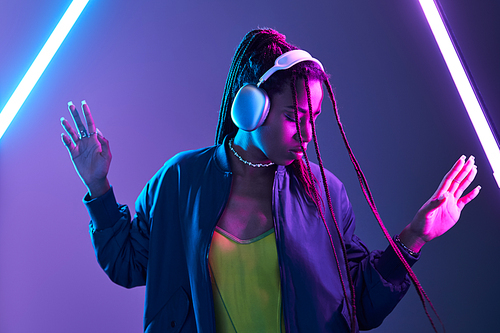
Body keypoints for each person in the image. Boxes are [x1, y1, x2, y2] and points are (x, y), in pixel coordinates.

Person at [60, 29, 480, 333]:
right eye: (295, 118)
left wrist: (415, 235)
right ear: (251, 107)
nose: (308, 135)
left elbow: (361, 306)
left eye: (313, 120)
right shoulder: (179, 181)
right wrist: (98, 188)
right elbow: (129, 265)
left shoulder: (325, 194)